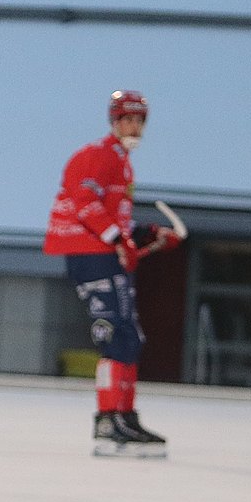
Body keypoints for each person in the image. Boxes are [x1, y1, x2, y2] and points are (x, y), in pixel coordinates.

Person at [44, 90, 181, 458]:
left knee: (129, 336)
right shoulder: (97, 156)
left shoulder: (121, 163)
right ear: (114, 120)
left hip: (107, 254)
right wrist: (118, 240)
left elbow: (117, 219)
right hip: (90, 255)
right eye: (127, 119)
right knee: (115, 334)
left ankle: (125, 415)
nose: (133, 126)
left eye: (139, 120)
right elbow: (84, 202)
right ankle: (108, 418)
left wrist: (149, 234)